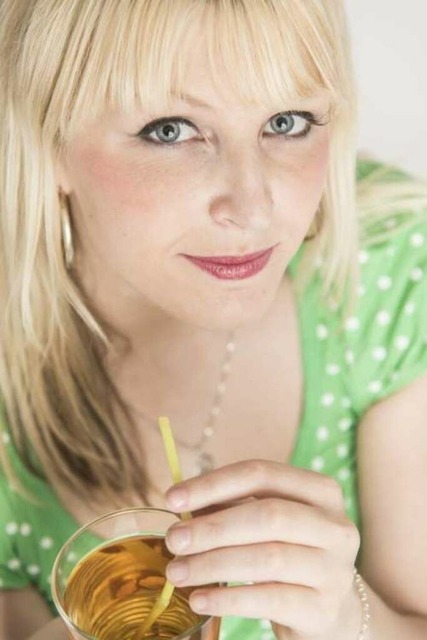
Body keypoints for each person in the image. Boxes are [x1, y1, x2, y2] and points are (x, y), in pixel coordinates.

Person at [1, 1, 427, 639]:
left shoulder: (390, 274)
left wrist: (349, 622)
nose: (253, 208)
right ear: (46, 140)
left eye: (286, 122)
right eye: (170, 130)